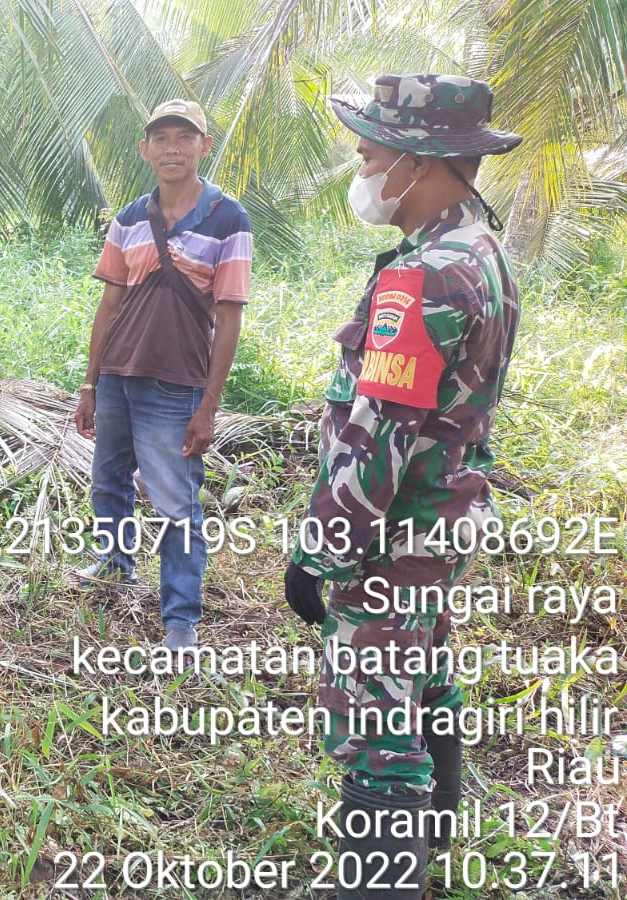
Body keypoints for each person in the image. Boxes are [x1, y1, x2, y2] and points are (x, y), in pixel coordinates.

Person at [283, 74, 522, 899]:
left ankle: (382, 884)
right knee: (423, 677)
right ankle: (432, 857)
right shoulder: (483, 253)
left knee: (379, 731)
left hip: (391, 537)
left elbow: (379, 432)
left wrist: (321, 552)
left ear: (419, 163)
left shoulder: (421, 279)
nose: (360, 166)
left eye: (369, 151)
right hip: (445, 521)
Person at [71, 99, 252, 654]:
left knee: (176, 503)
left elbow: (229, 316)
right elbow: (109, 303)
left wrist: (209, 406)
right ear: (145, 149)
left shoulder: (228, 218)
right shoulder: (128, 217)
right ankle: (114, 565)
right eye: (162, 138)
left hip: (176, 384)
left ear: (204, 145)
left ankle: (180, 618)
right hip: (118, 376)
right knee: (109, 481)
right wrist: (90, 382)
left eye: (185, 137)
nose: (172, 148)